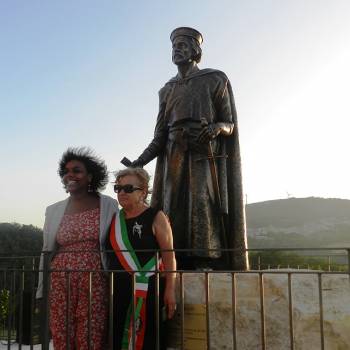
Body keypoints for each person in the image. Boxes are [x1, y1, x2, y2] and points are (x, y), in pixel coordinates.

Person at [129, 27, 248, 270]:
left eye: (183, 46)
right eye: (174, 46)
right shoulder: (167, 89)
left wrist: (216, 129)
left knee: (202, 201)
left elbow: (230, 124)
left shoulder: (215, 78)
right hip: (174, 150)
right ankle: (175, 257)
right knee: (172, 204)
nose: (177, 50)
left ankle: (205, 258)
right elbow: (159, 135)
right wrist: (138, 162)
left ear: (196, 51)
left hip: (205, 150)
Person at [36, 147, 118, 350]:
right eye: (66, 171)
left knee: (91, 330)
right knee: (61, 330)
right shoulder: (53, 210)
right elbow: (46, 250)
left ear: (90, 176)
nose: (69, 175)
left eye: (76, 170)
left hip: (94, 277)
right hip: (59, 278)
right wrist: (40, 291)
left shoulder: (108, 205)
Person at [106, 167, 176, 350]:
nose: (121, 192)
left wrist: (170, 289)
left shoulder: (156, 216)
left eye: (128, 188)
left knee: (147, 340)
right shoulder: (114, 220)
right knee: (117, 337)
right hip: (118, 292)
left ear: (143, 191)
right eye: (118, 188)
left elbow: (169, 255)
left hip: (149, 290)